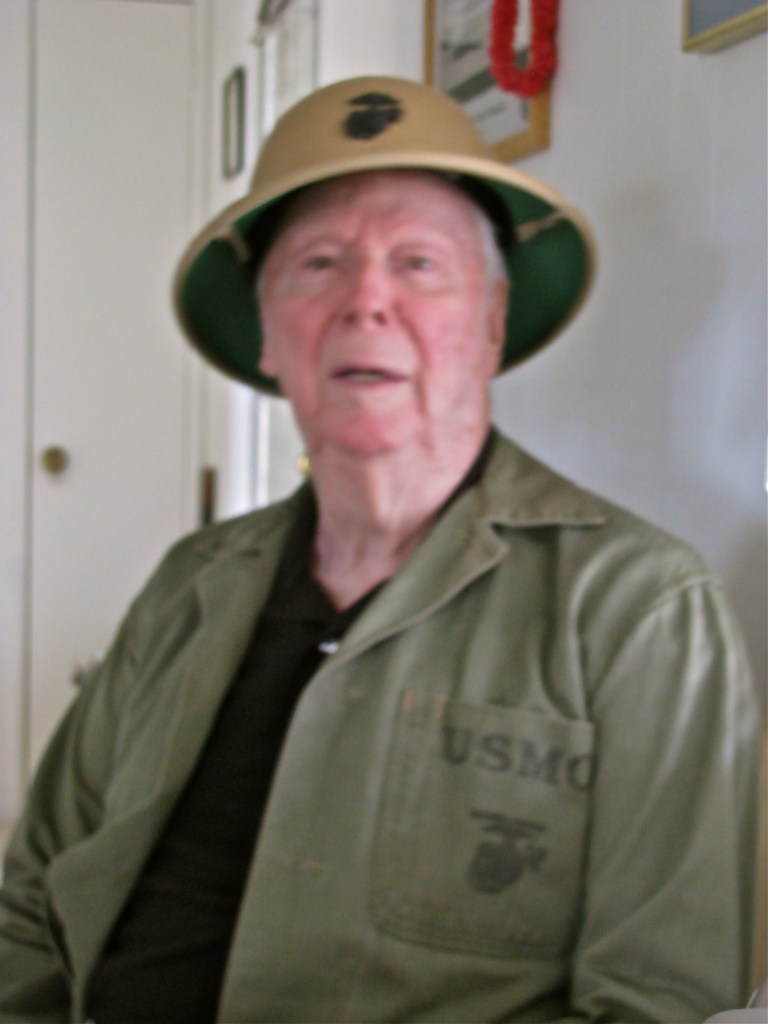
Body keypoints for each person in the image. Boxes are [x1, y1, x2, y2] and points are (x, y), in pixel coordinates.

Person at [0, 75, 760, 1024]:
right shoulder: (190, 581)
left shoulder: (638, 607)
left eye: (419, 263)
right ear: (268, 334)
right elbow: (31, 903)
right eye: (319, 263)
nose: (366, 300)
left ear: (492, 322)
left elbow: (659, 1000)